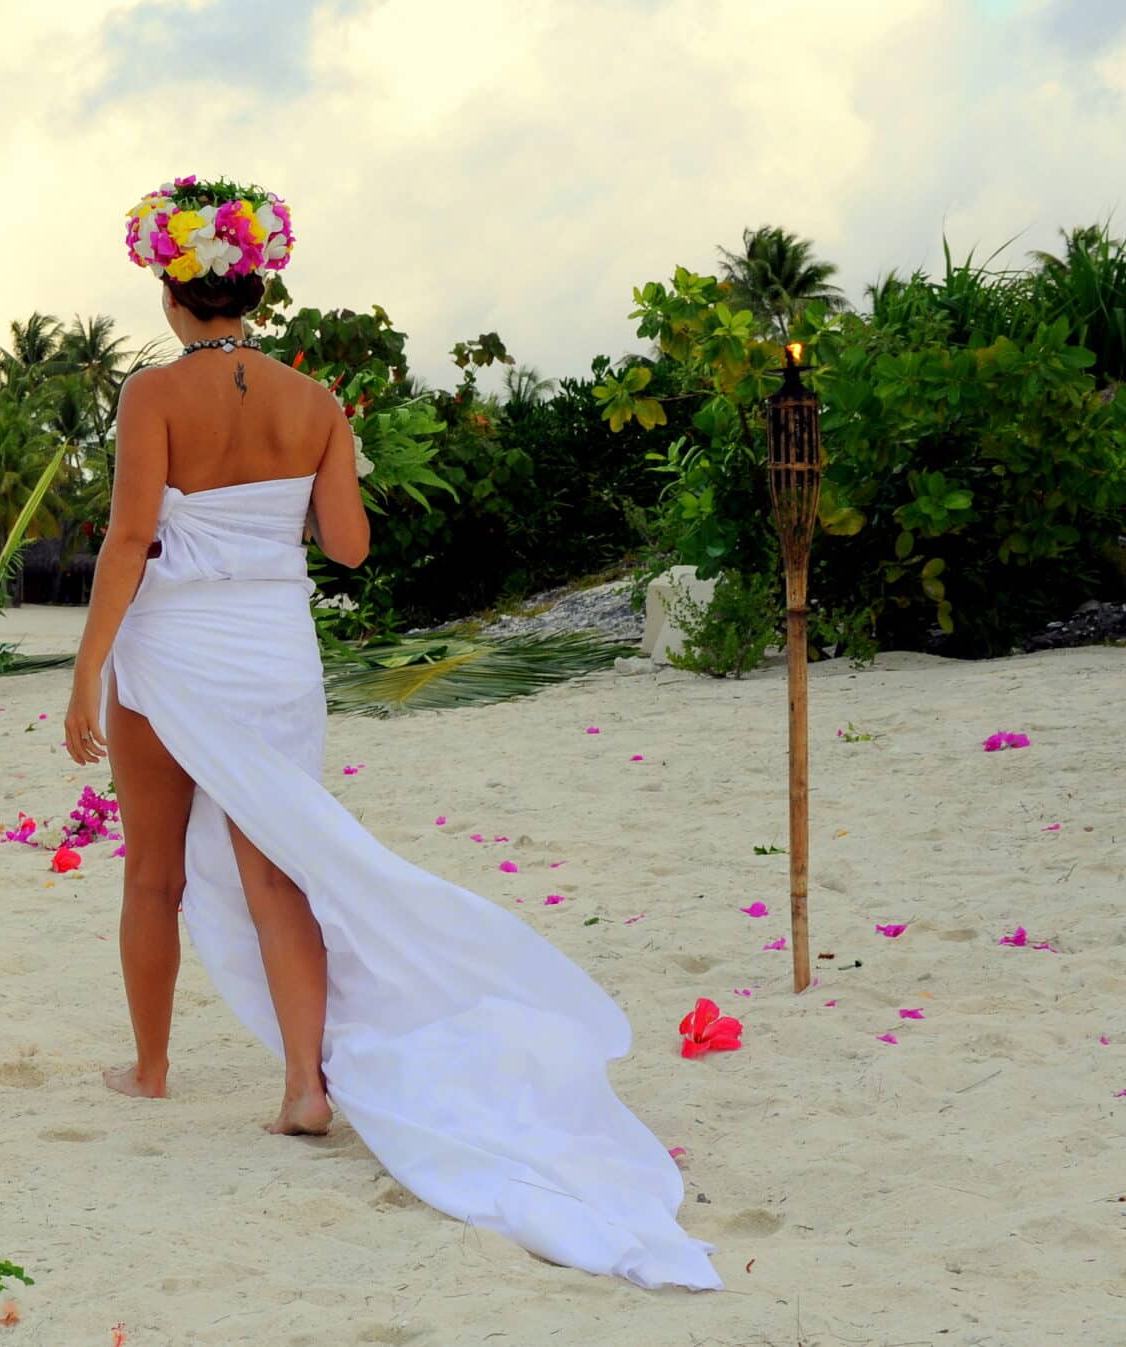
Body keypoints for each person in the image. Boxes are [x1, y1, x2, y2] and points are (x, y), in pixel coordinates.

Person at [63, 176, 719, 1291]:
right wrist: (326, 461)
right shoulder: (317, 402)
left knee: (152, 876)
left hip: (174, 649)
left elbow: (129, 541)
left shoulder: (149, 398)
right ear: (255, 283)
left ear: (173, 291)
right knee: (282, 873)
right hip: (272, 651)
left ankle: (154, 1065)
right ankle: (304, 1089)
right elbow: (353, 549)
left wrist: (85, 675)